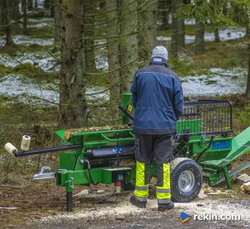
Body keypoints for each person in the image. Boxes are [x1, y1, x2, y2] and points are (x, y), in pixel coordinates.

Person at [130, 46, 184, 211]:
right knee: (163, 163)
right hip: (164, 129)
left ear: (153, 57)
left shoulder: (140, 74)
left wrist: (141, 117)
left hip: (142, 127)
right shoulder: (173, 77)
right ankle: (163, 201)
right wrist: (170, 120)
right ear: (165, 59)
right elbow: (179, 106)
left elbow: (134, 100)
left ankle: (140, 199)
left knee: (142, 161)